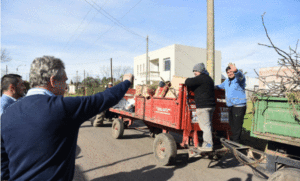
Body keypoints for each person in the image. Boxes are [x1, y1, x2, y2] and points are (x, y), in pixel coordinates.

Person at [1, 56, 133, 181]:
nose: (65, 86)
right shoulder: (63, 107)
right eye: (64, 80)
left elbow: (2, 156)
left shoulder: (7, 113)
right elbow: (104, 98)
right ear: (52, 81)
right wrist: (126, 81)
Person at [185, 63, 216, 152]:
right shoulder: (209, 78)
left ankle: (208, 145)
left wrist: (186, 79)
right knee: (208, 125)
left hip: (203, 107)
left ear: (200, 71)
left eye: (195, 71)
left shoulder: (201, 78)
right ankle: (209, 143)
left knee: (205, 126)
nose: (194, 73)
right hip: (211, 106)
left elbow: (188, 82)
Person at [1, 74, 25, 181]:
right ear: (12, 88)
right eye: (21, 85)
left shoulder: (10, 104)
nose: (24, 88)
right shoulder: (5, 108)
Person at [215, 63, 247, 143]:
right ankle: (234, 140)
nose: (230, 73)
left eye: (231, 71)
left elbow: (241, 76)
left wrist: (236, 71)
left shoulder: (239, 80)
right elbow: (219, 87)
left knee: (237, 126)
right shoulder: (226, 81)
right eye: (228, 72)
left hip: (239, 106)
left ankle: (236, 143)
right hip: (230, 106)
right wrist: (208, 85)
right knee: (231, 125)